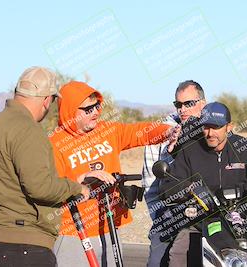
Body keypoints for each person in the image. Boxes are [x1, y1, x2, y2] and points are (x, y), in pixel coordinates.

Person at [0, 67, 106, 267]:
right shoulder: (28, 129)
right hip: (23, 248)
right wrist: (77, 188)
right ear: (47, 99)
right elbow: (40, 187)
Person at [49, 81, 175, 266]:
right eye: (88, 109)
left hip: (108, 227)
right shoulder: (55, 143)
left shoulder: (107, 131)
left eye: (97, 106)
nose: (95, 112)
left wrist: (168, 131)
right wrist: (80, 179)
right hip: (74, 231)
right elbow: (49, 187)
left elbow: (139, 132)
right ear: (70, 111)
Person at [159, 102, 247, 267]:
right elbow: (168, 186)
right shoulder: (190, 150)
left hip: (239, 222)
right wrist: (192, 190)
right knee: (178, 255)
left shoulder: (242, 147)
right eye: (206, 127)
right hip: (198, 224)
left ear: (229, 127)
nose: (210, 133)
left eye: (216, 127)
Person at [142, 80, 206, 267]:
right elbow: (150, 185)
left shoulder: (213, 129)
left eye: (189, 103)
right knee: (157, 262)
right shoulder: (160, 133)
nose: (182, 109)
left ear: (203, 102)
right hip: (171, 214)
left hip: (210, 213)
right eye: (178, 104)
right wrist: (162, 218)